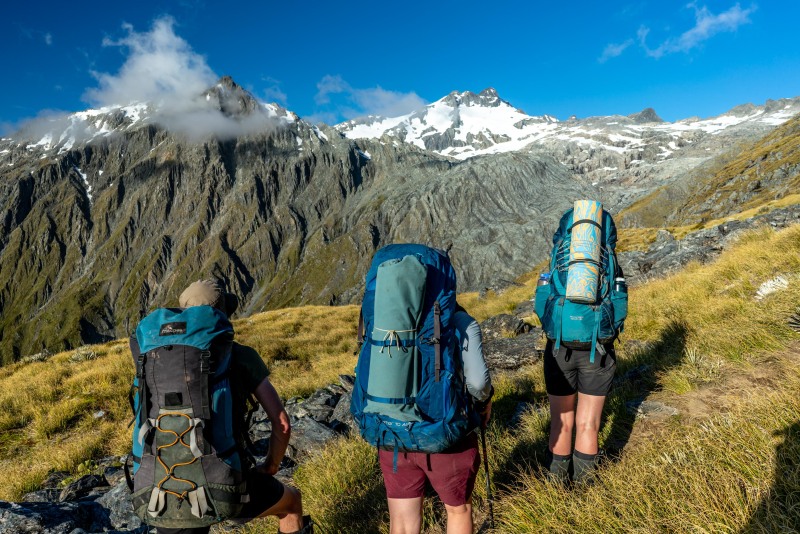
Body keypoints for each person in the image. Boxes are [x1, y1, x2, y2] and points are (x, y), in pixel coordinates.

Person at [148, 279, 312, 534]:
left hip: (165, 483)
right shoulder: (241, 356)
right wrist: (270, 465)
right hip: (227, 482)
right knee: (291, 503)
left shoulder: (154, 362)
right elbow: (282, 423)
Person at [379, 305, 493, 534]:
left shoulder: (385, 315)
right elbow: (479, 383)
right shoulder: (461, 321)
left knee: (401, 521)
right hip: (446, 436)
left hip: (393, 433)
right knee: (457, 511)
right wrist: (484, 402)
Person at [543, 338, 616, 485]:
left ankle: (556, 486)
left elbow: (542, 314)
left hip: (559, 350)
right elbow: (620, 314)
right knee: (589, 424)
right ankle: (585, 489)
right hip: (598, 350)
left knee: (560, 423)